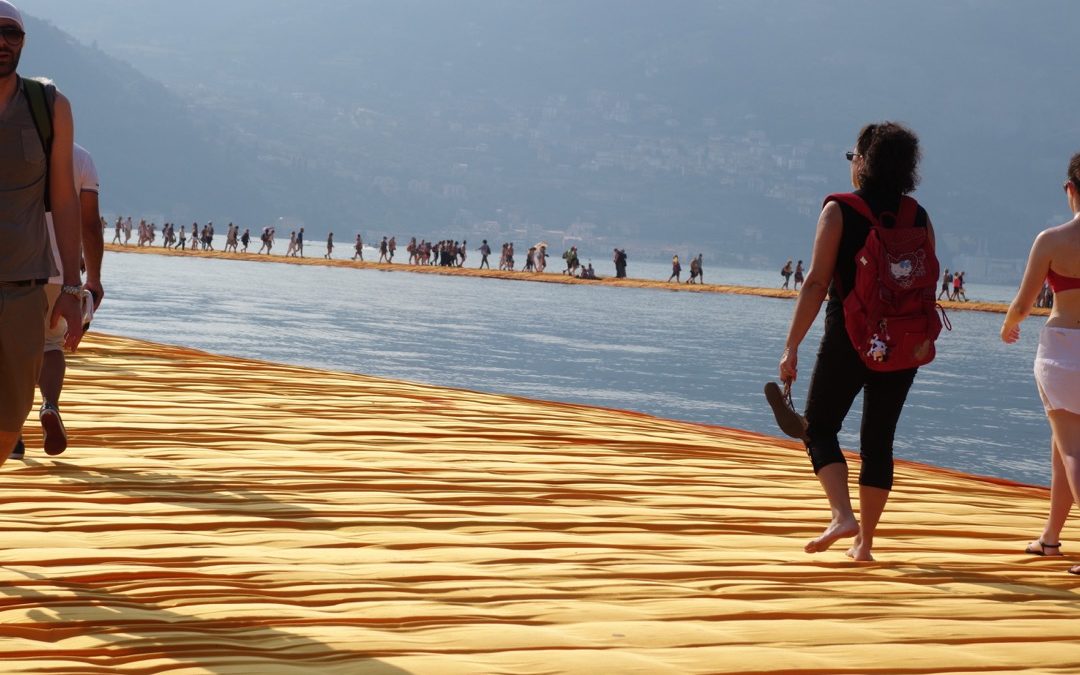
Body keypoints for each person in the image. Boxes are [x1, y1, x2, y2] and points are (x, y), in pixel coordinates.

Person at [778, 122, 933, 561]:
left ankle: (841, 514)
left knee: (820, 427)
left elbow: (815, 284)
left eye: (853, 156)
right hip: (903, 341)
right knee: (879, 439)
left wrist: (791, 346)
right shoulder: (917, 216)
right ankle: (865, 544)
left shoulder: (839, 209)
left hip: (849, 333)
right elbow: (925, 284)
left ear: (864, 162)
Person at [0, 1, 85, 465]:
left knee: (11, 421)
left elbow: (66, 202)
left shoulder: (48, 107)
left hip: (25, 289)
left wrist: (72, 287)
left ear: (23, 42)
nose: (1, 42)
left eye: (10, 33)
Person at [1001, 152, 1080, 574]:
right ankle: (1050, 537)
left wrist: (1009, 326)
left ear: (1071, 190)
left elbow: (1023, 301)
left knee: (1072, 448)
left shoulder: (1051, 240)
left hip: (1063, 346)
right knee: (1060, 446)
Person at [12, 143, 103, 459]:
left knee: (11, 350)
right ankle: (49, 404)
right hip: (62, 273)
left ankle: (13, 434)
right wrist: (93, 277)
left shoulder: (10, 144)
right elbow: (90, 224)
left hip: (16, 267)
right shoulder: (81, 158)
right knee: (50, 344)